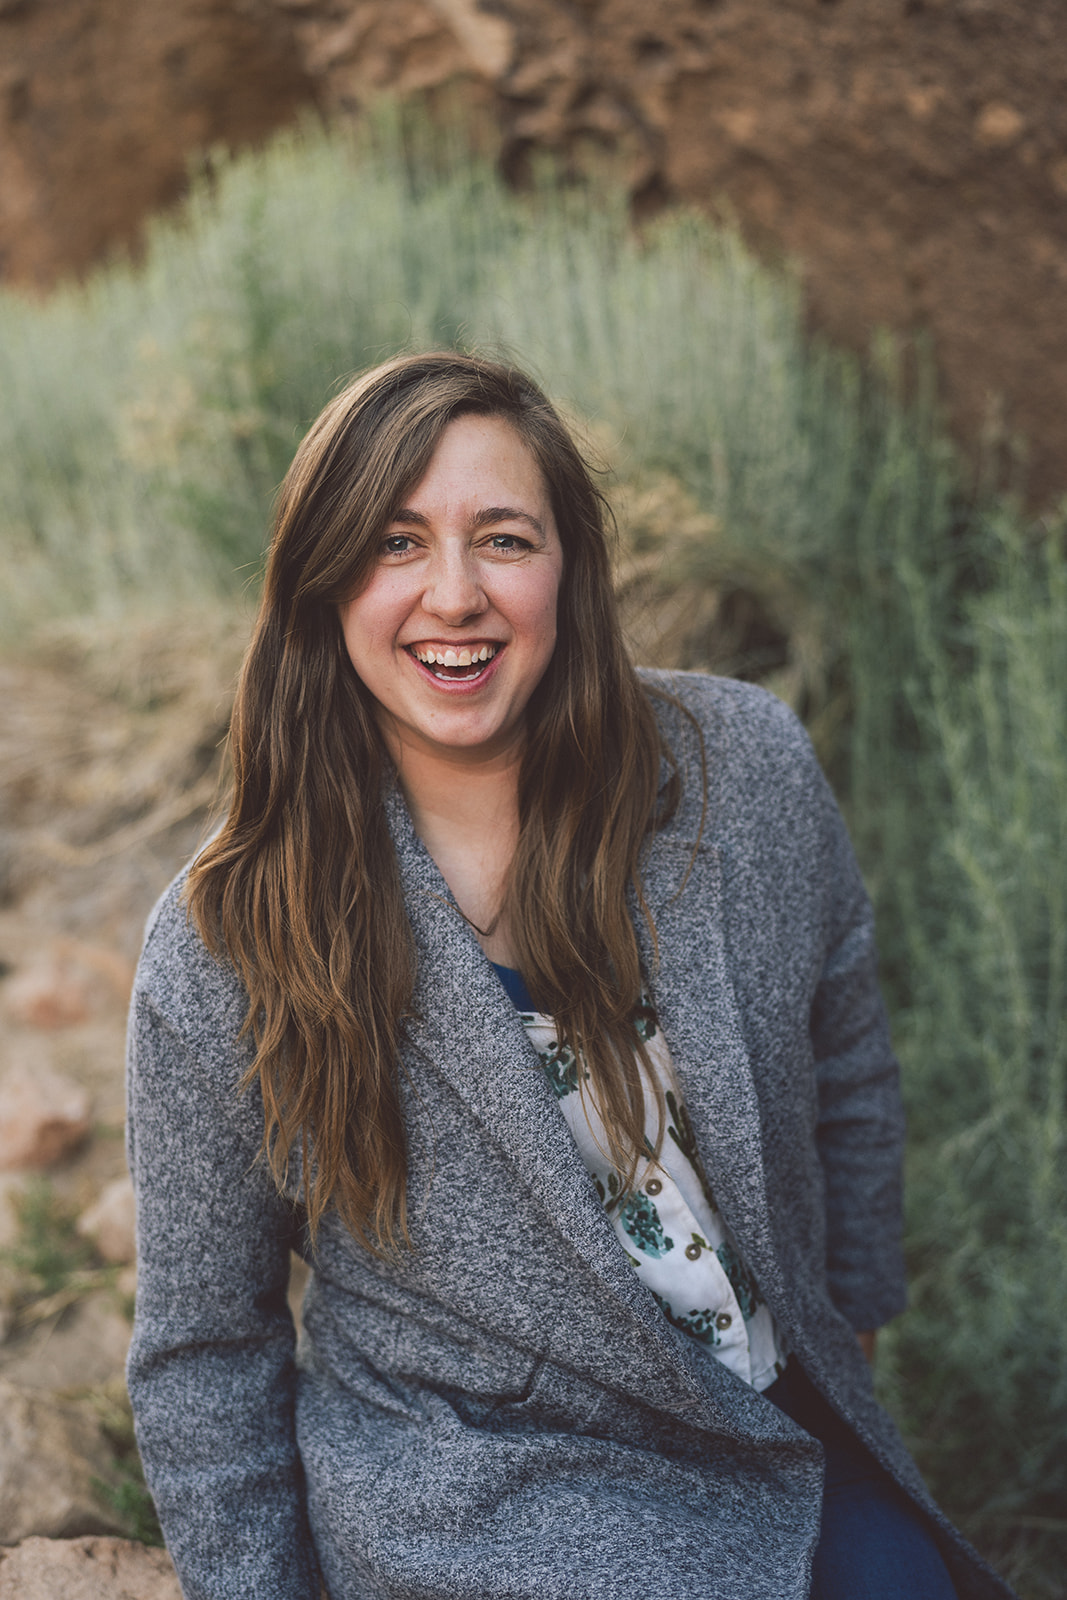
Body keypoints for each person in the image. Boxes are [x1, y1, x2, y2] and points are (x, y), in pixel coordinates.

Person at [126, 352, 1013, 1600]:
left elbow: (843, 1044)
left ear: (569, 568)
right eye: (394, 542)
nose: (453, 594)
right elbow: (206, 1347)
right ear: (322, 583)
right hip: (486, 1498)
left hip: (774, 1426)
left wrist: (845, 1330)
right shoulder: (229, 938)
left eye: (502, 538)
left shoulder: (738, 768)